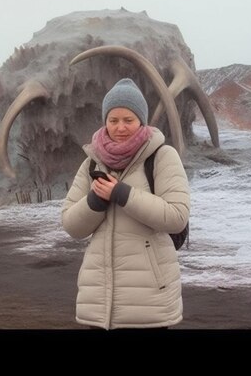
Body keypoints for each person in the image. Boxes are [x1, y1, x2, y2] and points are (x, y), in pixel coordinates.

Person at [61, 78, 190, 330]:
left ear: (141, 121)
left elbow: (176, 216)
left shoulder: (162, 156)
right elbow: (71, 225)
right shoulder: (91, 163)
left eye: (128, 120)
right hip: (98, 304)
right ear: (105, 122)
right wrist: (95, 201)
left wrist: (123, 194)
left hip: (149, 303)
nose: (120, 127)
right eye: (113, 120)